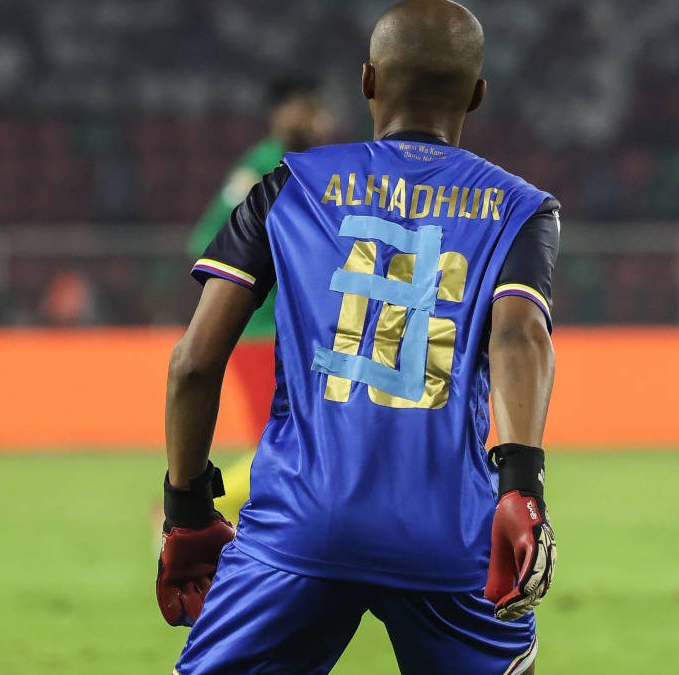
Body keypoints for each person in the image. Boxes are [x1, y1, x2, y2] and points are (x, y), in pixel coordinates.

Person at [156, 2, 560, 673]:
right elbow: (520, 337)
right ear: (477, 95)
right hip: (446, 534)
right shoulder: (521, 209)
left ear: (367, 80)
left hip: (298, 529)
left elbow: (193, 364)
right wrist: (522, 485)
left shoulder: (286, 186)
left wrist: (189, 510)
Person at [189, 77, 335, 521]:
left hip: (297, 332)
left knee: (293, 441)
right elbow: (211, 235)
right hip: (260, 329)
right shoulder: (262, 166)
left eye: (316, 110)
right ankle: (196, 509)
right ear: (280, 114)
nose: (316, 120)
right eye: (306, 109)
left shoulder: (315, 166)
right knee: (283, 442)